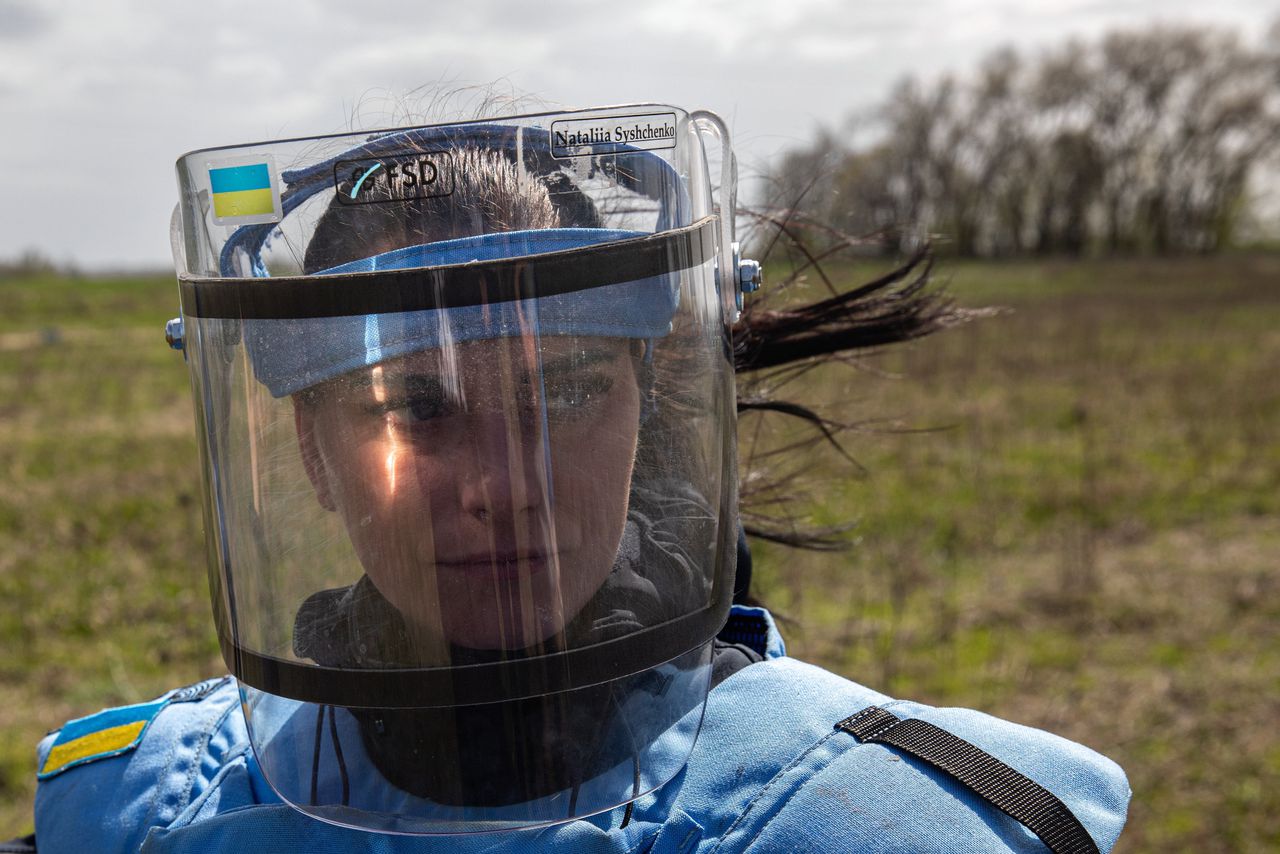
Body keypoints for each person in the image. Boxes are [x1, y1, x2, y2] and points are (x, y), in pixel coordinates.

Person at [21, 104, 1129, 852]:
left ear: (645, 408)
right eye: (416, 406)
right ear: (313, 447)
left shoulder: (879, 816)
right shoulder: (139, 814)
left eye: (564, 392)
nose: (503, 483)